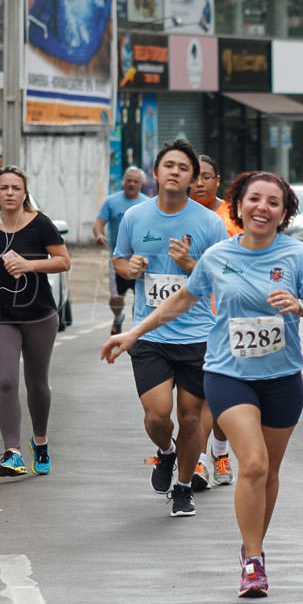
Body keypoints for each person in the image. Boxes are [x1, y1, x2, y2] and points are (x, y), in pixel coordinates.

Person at [103, 172, 303, 597]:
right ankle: (251, 562)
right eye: (254, 200)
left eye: (272, 202)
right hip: (229, 375)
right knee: (253, 464)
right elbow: (182, 299)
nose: (262, 208)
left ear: (284, 213)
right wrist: (133, 333)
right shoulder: (218, 256)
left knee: (269, 474)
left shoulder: (300, 257)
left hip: (283, 378)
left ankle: (256, 550)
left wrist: (301, 306)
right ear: (238, 206)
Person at [109, 139, 228, 517]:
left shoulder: (209, 223)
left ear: (193, 177)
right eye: (169, 165)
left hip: (198, 335)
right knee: (158, 414)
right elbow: (119, 260)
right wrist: (130, 270)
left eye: (183, 167)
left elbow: (225, 276)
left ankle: (182, 487)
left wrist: (191, 264)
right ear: (156, 173)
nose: (175, 172)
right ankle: (166, 451)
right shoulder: (135, 217)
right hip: (150, 334)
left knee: (192, 418)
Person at [0, 166, 72, 477]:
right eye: (5, 188)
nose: (10, 193)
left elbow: (64, 261)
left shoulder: (41, 224)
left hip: (39, 314)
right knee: (5, 381)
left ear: (24, 193)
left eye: (16, 188)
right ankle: (12, 452)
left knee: (37, 384)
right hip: (0, 315)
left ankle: (39, 441)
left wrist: (29, 264)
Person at [189, 154, 241, 489]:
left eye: (206, 176)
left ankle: (220, 451)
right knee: (196, 398)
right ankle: (199, 461)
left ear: (217, 180)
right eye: (195, 177)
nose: (199, 183)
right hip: (189, 317)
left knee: (218, 398)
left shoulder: (231, 216)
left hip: (227, 317)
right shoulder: (176, 215)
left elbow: (236, 266)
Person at [93, 167, 149, 335]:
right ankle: (118, 317)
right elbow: (99, 223)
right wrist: (99, 235)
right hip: (118, 259)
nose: (131, 184)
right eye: (129, 181)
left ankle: (135, 328)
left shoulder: (148, 204)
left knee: (139, 297)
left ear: (141, 184)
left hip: (141, 260)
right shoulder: (111, 202)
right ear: (124, 182)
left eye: (135, 181)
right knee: (117, 298)